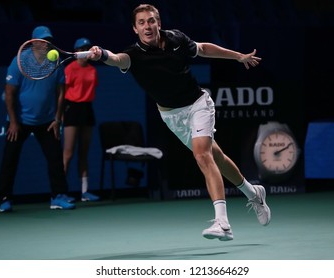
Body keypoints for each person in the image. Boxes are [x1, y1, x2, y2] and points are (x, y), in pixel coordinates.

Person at [88, 4, 271, 241]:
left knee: (201, 155)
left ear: (159, 23)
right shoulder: (133, 55)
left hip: (197, 104)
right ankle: (253, 193)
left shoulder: (176, 38)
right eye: (142, 22)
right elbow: (116, 59)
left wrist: (238, 56)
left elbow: (203, 48)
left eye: (151, 20)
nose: (147, 26)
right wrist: (101, 54)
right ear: (135, 29)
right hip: (171, 116)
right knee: (216, 157)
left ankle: (222, 222)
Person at [0, 26, 76, 212]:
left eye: (48, 40)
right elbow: (9, 93)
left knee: (55, 159)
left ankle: (58, 197)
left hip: (47, 121)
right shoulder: (19, 61)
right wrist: (14, 122)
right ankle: (5, 198)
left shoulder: (55, 60)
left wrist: (57, 119)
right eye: (41, 40)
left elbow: (61, 92)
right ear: (33, 42)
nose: (45, 44)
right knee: (10, 159)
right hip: (20, 120)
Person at [63, 37, 99, 202]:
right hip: (72, 109)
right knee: (68, 153)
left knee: (83, 153)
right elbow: (62, 94)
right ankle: (61, 192)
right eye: (82, 48)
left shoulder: (93, 70)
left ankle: (84, 192)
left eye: (87, 48)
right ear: (76, 52)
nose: (85, 51)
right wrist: (61, 114)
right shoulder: (69, 69)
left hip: (87, 110)